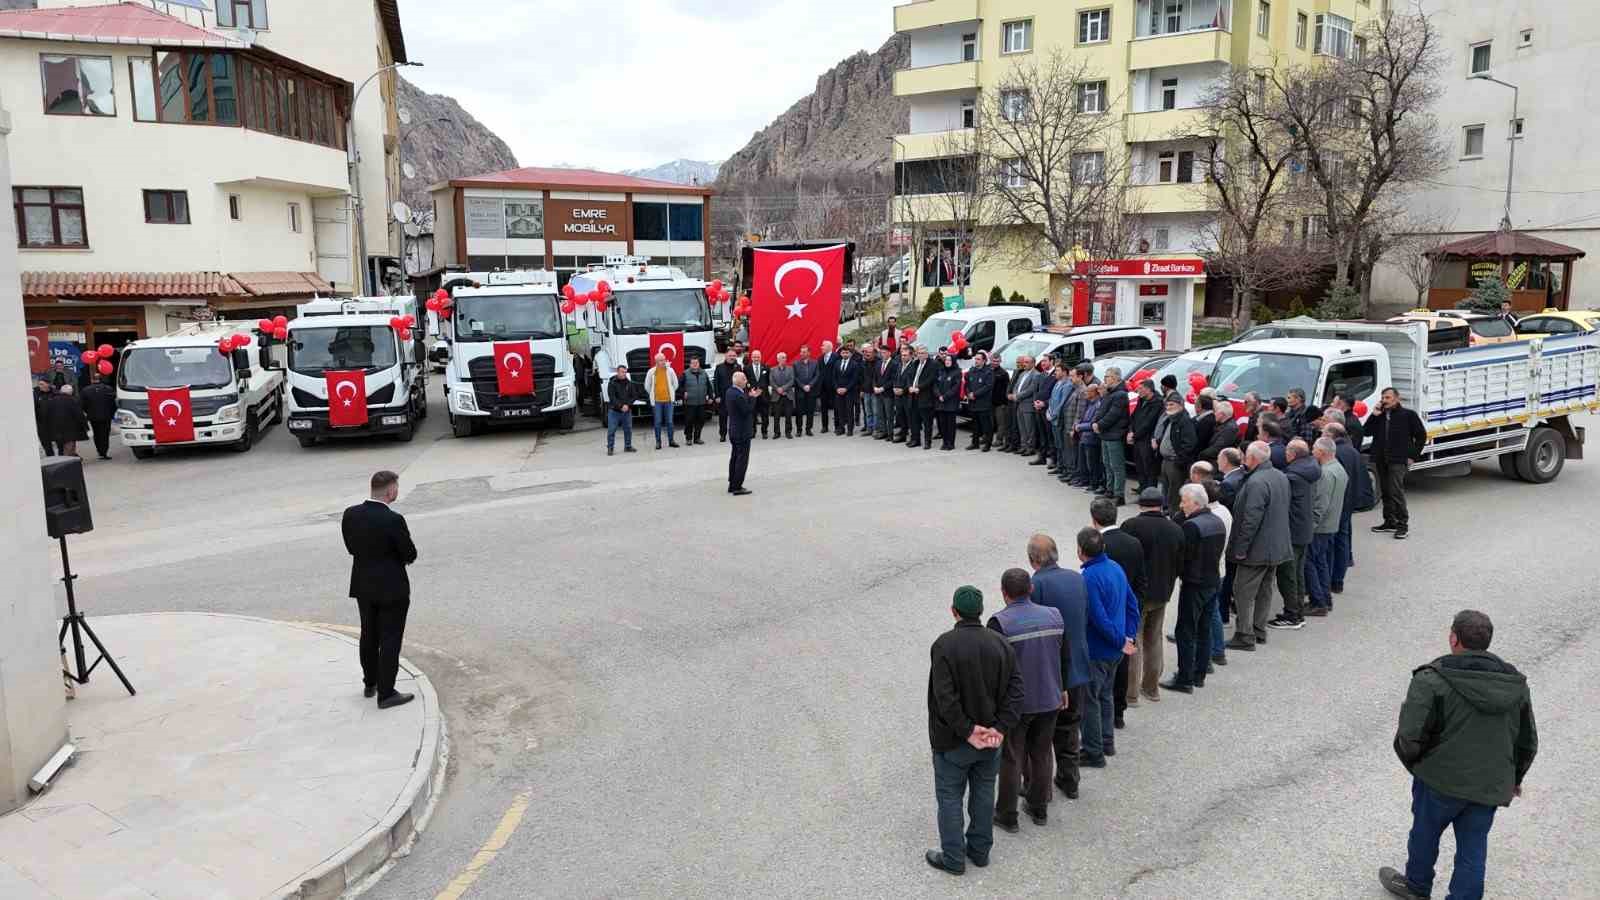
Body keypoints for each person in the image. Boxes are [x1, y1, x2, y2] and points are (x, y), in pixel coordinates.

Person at [1379, 610, 1538, 900]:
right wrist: (1514, 778)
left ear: (1454, 638)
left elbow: (1409, 737)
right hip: (1489, 784)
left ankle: (1416, 886)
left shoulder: (1431, 679)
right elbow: (1527, 741)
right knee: (1473, 848)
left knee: (1425, 833)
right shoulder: (1515, 684)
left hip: (1439, 781)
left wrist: (1420, 767)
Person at [925, 585, 1023, 876]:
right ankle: (980, 852)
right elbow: (1016, 692)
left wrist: (968, 731)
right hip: (991, 738)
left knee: (950, 797)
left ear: (954, 611)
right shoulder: (1001, 644)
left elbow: (945, 699)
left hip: (953, 741)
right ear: (980, 611)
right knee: (983, 792)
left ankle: (953, 857)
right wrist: (1000, 728)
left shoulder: (944, 645)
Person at [987, 567, 1068, 832]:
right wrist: (1063, 688)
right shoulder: (1054, 615)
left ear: (1004, 593)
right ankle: (1039, 807)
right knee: (1042, 753)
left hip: (1017, 704)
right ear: (1031, 589)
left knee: (1012, 757)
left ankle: (1007, 814)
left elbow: (995, 670)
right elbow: (1063, 656)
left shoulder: (999, 623)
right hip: (1050, 697)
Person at [341, 470, 418, 709]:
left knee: (369, 634)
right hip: (392, 587)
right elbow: (410, 554)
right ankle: (386, 693)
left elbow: (351, 548)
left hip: (363, 585)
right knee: (390, 638)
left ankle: (370, 683)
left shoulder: (350, 514)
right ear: (391, 490)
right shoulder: (393, 519)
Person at [1024, 534, 1090, 801]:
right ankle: (1069, 779)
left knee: (1039, 736)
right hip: (1079, 667)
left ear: (1033, 559)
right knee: (1070, 728)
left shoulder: (1036, 585)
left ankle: (1037, 788)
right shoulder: (1077, 578)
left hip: (1052, 673)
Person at [1076, 528, 1139, 767]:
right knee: (1105, 695)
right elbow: (1132, 604)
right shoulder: (1115, 567)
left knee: (1090, 700)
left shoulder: (1089, 578)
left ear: (1080, 551)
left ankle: (1093, 751)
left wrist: (1120, 640)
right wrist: (1128, 636)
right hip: (1116, 649)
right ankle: (1106, 741)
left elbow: (1098, 618)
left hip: (1098, 649)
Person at [1226, 442, 1292, 650]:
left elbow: (1250, 519)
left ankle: (1245, 635)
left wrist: (1241, 549)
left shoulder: (1256, 482)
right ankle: (1258, 630)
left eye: (1246, 456)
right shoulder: (1280, 476)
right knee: (1265, 589)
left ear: (1253, 459)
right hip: (1276, 546)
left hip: (1257, 548)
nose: (1243, 459)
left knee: (1243, 591)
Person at [1121, 487, 1184, 703]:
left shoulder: (1130, 526)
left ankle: (1131, 693)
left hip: (1137, 594)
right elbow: (1179, 562)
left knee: (1134, 639)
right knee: (1154, 638)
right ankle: (1151, 687)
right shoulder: (1175, 529)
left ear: (1141, 504)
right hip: (1162, 591)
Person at [1162, 483, 1226, 693]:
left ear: (1197, 503)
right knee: (1204, 629)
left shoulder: (1191, 526)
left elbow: (1183, 555)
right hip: (1212, 580)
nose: (1181, 506)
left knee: (1186, 631)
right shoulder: (1217, 521)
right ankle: (1199, 674)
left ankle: (1184, 678)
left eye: (1184, 502)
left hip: (1194, 583)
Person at [1091, 498, 1143, 724]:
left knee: (1103, 668)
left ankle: (1104, 716)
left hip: (1106, 611)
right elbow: (1140, 580)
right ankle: (1118, 711)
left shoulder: (1097, 545)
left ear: (1094, 520)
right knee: (1122, 663)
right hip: (1127, 609)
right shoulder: (1134, 543)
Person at [1268, 438, 1321, 631]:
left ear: (1292, 454)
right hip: (1304, 529)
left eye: (1287, 452)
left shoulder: (1292, 476)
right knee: (1297, 573)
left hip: (1292, 531)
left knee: (1287, 574)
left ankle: (1292, 615)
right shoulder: (1310, 468)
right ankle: (1296, 611)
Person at [1369, 387, 1426, 540]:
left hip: (1398, 460)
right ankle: (1389, 521)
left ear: (1397, 398)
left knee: (1396, 491)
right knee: (1385, 491)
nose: (1384, 400)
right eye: (1383, 398)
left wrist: (1412, 456)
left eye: (1387, 397)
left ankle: (1402, 525)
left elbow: (1421, 436)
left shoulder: (1408, 415)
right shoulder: (1379, 415)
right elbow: (1366, 431)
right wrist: (1374, 415)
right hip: (1381, 459)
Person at [1303, 437, 1348, 617]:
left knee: (1309, 562)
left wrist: (1311, 526)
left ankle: (1318, 602)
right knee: (1320, 562)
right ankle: (1325, 598)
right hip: (1331, 524)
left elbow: (1321, 504)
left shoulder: (1325, 473)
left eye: (1314, 448)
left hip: (1320, 526)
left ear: (1321, 452)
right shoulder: (1339, 469)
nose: (1312, 451)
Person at [1325, 421, 1361, 595]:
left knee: (1332, 544)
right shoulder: (1352, 450)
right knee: (1342, 541)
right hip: (1348, 503)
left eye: (1324, 433)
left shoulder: (1335, 454)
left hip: (1337, 504)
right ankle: (1338, 580)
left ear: (1331, 435)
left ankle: (1331, 579)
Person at [1154, 392, 1197, 513]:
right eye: (1167, 405)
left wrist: (1179, 460)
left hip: (1175, 462)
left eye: (1172, 404)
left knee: (1174, 494)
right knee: (1166, 490)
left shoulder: (1184, 421)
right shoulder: (1170, 419)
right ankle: (1167, 511)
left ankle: (1175, 515)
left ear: (1181, 405)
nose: (1168, 407)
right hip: (1166, 461)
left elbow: (1190, 443)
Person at [725, 371, 758, 495]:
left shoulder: (730, 391)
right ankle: (737, 486)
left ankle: (732, 484)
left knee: (735, 457)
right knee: (741, 459)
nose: (746, 381)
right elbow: (747, 410)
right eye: (744, 379)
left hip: (734, 430)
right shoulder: (738, 395)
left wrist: (748, 396)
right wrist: (753, 398)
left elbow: (742, 404)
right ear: (739, 382)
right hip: (742, 431)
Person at [1129, 380, 1162, 491]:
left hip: (1147, 439)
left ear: (1148, 389)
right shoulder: (1141, 399)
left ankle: (1150, 491)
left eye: (1141, 389)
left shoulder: (1157, 402)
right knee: (1139, 465)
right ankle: (1142, 487)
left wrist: (1135, 435)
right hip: (1137, 438)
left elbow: (1149, 423)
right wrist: (1131, 431)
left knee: (1149, 467)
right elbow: (1133, 416)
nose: (1138, 391)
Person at [644, 353, 680, 450]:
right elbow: (647, 386)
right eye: (661, 360)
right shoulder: (651, 372)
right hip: (657, 402)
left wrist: (671, 392)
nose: (663, 362)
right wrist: (653, 394)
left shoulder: (670, 370)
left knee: (670, 422)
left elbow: (675, 384)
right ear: (656, 362)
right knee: (657, 422)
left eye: (664, 359)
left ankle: (671, 441)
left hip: (669, 401)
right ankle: (658, 442)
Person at [78, 372, 117, 460]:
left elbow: (82, 405)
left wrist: (88, 412)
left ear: (92, 380)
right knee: (105, 434)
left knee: (97, 433)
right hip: (106, 416)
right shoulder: (108, 389)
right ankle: (104, 451)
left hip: (93, 416)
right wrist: (111, 413)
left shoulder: (85, 390)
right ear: (101, 379)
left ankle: (100, 450)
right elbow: (113, 403)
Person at [1073, 383, 1104, 491]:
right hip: (1084, 436)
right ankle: (1085, 480)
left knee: (1092, 463)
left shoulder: (1098, 405)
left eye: (1088, 391)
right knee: (1084, 461)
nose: (1085, 393)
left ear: (1094, 392)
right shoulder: (1090, 404)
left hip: (1091, 438)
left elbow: (1093, 423)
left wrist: (1079, 426)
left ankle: (1094, 483)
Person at [45, 383, 88, 457]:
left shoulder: (52, 400)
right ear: (70, 392)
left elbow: (47, 414)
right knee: (69, 447)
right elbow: (79, 415)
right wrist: (85, 426)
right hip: (70, 430)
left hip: (56, 429)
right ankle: (68, 461)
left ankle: (68, 458)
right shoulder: (72, 400)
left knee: (61, 447)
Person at [931, 351, 962, 450]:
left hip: (951, 402)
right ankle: (944, 442)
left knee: (950, 425)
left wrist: (945, 396)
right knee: (942, 424)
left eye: (949, 360)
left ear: (953, 361)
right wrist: (938, 395)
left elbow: (955, 388)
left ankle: (951, 443)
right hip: (940, 402)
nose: (947, 361)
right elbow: (935, 385)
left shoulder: (957, 372)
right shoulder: (941, 371)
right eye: (946, 360)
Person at [907, 345, 936, 449]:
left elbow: (931, 379)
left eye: (923, 353)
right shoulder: (915, 363)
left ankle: (928, 442)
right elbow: (909, 376)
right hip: (913, 396)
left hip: (925, 397)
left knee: (927, 422)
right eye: (919, 353)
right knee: (914, 420)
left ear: (927, 354)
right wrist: (910, 386)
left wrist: (919, 388)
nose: (920, 355)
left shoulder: (932, 364)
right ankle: (916, 440)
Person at [965, 351, 996, 451]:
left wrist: (975, 394)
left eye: (978, 359)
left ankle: (987, 444)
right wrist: (968, 393)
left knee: (986, 425)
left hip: (983, 403)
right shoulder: (972, 370)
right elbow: (967, 384)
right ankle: (975, 443)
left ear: (984, 361)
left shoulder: (988, 372)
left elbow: (988, 386)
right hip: (973, 402)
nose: (976, 361)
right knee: (975, 425)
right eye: (975, 359)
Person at [677, 357, 712, 445]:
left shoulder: (704, 373)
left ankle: (697, 438)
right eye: (693, 363)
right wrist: (683, 392)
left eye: (696, 363)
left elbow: (709, 386)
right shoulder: (685, 374)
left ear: (699, 364)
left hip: (702, 402)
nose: (695, 364)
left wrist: (711, 397)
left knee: (701, 420)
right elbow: (679, 387)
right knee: (689, 421)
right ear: (690, 364)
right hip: (689, 403)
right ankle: (688, 438)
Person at [1011, 356, 1041, 457]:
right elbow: (1016, 386)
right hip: (1019, 404)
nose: (1024, 364)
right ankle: (1023, 446)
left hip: (1028, 405)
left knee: (1030, 428)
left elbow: (1031, 390)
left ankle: (1030, 447)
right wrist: (1015, 394)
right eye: (1024, 362)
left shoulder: (1036, 375)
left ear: (1033, 363)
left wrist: (1017, 396)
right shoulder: (1022, 374)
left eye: (1027, 362)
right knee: (1022, 427)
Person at [1197, 398, 1237, 466]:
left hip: (1217, 462)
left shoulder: (1230, 429)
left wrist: (1200, 455)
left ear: (1221, 414)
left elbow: (1217, 449)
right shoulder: (1222, 424)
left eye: (1215, 412)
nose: (1214, 414)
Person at [872, 343, 900, 440]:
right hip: (878, 393)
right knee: (880, 414)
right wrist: (875, 387)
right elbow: (875, 377)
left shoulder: (894, 364)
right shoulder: (878, 363)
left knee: (889, 414)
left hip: (888, 393)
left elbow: (893, 379)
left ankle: (890, 434)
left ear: (889, 353)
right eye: (881, 353)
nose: (882, 354)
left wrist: (883, 388)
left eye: (884, 353)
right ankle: (883, 431)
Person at [713, 350, 741, 442]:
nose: (732, 357)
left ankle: (734, 434)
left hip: (736, 397)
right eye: (730, 356)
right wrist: (717, 395)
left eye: (734, 356)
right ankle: (723, 434)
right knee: (723, 417)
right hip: (723, 396)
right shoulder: (719, 367)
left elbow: (741, 382)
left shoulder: (738, 367)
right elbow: (716, 382)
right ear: (726, 356)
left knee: (735, 417)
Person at [767, 351, 796, 439]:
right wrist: (778, 389)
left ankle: (788, 432)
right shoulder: (772, 369)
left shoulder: (790, 369)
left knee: (788, 416)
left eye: (785, 357)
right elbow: (771, 381)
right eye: (782, 358)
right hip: (776, 396)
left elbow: (792, 380)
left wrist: (783, 388)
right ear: (778, 359)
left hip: (788, 395)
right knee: (776, 416)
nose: (784, 359)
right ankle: (777, 433)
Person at [832, 344, 860, 436]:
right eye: (843, 352)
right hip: (838, 391)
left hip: (849, 391)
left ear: (850, 354)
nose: (845, 354)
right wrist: (837, 388)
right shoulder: (837, 363)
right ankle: (841, 428)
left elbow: (854, 379)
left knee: (849, 410)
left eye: (847, 353)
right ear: (840, 353)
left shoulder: (854, 364)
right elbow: (834, 377)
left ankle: (850, 429)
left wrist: (846, 388)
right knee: (840, 410)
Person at [793, 344, 820, 437]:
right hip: (800, 391)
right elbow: (795, 377)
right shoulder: (796, 364)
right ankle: (799, 430)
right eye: (801, 352)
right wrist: (803, 386)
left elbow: (817, 375)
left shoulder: (815, 363)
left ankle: (808, 429)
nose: (801, 353)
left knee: (810, 411)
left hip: (811, 391)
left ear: (809, 353)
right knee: (799, 412)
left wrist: (810, 385)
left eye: (804, 352)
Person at [990, 353, 1012, 452]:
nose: (995, 363)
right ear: (990, 360)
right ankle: (987, 437)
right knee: (989, 422)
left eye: (997, 361)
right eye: (994, 361)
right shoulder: (987, 370)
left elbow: (1007, 388)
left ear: (1000, 361)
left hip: (1000, 402)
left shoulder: (1003, 373)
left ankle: (999, 440)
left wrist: (1004, 402)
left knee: (1001, 423)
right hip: (989, 401)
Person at [747, 350, 770, 439]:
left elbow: (768, 381)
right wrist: (751, 390)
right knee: (752, 415)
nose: (756, 359)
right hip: (752, 396)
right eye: (754, 357)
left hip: (764, 395)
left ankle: (764, 432)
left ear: (760, 357)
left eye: (758, 357)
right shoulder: (746, 368)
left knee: (765, 415)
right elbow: (745, 381)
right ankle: (753, 432)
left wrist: (761, 389)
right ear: (751, 358)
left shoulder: (766, 367)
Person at [858, 345, 879, 436]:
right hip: (866, 391)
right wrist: (861, 390)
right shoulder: (863, 363)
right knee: (868, 411)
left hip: (875, 391)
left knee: (876, 412)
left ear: (874, 353)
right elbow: (861, 378)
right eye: (865, 352)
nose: (867, 354)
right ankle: (869, 428)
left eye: (869, 352)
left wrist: (876, 388)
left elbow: (877, 377)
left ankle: (875, 429)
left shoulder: (878, 362)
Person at [817, 340, 837, 433]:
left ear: (829, 347)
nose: (821, 347)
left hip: (833, 387)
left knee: (836, 407)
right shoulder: (820, 358)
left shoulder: (836, 357)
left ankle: (837, 426)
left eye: (823, 345)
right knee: (823, 408)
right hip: (823, 387)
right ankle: (824, 426)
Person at [34, 379, 54, 455]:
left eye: (42, 384)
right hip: (42, 424)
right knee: (46, 444)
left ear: (48, 384)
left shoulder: (55, 393)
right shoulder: (35, 394)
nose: (40, 386)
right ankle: (50, 457)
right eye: (39, 384)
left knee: (60, 444)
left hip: (54, 422)